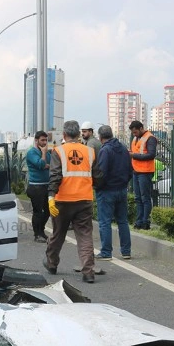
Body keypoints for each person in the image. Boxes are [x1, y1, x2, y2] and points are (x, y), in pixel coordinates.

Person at [43, 120, 102, 283]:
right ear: (78, 134)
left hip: (62, 201)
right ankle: (88, 271)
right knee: (85, 236)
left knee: (58, 233)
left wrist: (51, 197)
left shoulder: (58, 151)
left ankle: (52, 263)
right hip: (84, 200)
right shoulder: (90, 151)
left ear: (64, 134)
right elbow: (97, 176)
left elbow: (55, 176)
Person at [94, 125, 132, 260]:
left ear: (100, 137)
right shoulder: (123, 148)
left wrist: (97, 186)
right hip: (121, 189)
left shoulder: (105, 150)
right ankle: (126, 251)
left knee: (105, 222)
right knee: (123, 221)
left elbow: (101, 172)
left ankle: (106, 252)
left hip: (107, 190)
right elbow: (130, 169)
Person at [128, 120, 157, 230]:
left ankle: (145, 222)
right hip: (136, 171)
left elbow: (151, 155)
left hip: (145, 172)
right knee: (138, 198)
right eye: (133, 133)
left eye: (135, 132)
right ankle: (139, 221)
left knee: (145, 198)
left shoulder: (150, 138)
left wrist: (133, 155)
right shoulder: (135, 138)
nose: (134, 134)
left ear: (141, 128)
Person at [25, 131, 51, 242]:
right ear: (36, 140)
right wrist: (44, 155)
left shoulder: (47, 153)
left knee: (48, 210)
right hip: (36, 186)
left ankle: (41, 230)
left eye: (46, 140)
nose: (44, 142)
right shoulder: (32, 152)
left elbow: (51, 164)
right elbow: (41, 164)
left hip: (46, 185)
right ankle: (37, 234)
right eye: (42, 140)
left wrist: (45, 164)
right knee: (38, 212)